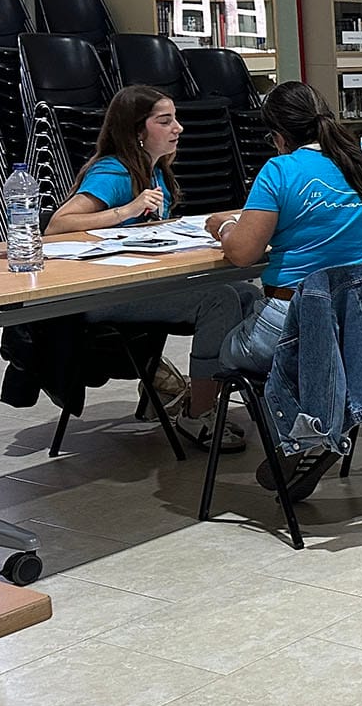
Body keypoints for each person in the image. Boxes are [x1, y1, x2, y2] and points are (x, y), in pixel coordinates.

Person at [205, 82, 362, 495]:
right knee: (254, 312)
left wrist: (224, 226)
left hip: (294, 321)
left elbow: (243, 253)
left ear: (278, 137)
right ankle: (328, 417)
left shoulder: (281, 171)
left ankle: (300, 430)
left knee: (226, 346)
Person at [46, 85, 258, 452]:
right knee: (220, 299)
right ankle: (198, 412)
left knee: (246, 294)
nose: (178, 128)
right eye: (165, 121)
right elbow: (57, 225)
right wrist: (125, 211)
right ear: (136, 130)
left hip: (140, 283)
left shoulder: (155, 170)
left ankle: (239, 391)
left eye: (176, 119)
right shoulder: (114, 172)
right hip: (104, 292)